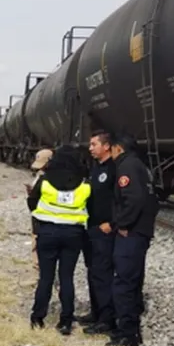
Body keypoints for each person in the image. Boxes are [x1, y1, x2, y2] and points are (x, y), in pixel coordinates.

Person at [27, 145, 91, 333]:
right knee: (66, 278)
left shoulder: (45, 181)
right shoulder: (84, 184)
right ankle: (66, 320)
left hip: (48, 233)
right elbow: (91, 207)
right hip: (73, 235)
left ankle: (37, 317)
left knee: (45, 277)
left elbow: (32, 202)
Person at [107, 134, 158, 346]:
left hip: (132, 234)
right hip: (142, 232)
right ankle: (132, 329)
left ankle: (127, 334)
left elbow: (134, 199)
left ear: (118, 148)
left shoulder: (126, 167)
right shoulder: (141, 167)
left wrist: (122, 224)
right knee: (134, 280)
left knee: (124, 283)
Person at [78, 129, 117, 335]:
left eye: (94, 144)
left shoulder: (114, 169)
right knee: (92, 271)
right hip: (90, 228)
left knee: (103, 274)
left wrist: (112, 222)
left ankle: (107, 319)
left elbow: (121, 200)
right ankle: (95, 311)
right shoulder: (95, 169)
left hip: (105, 230)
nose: (90, 148)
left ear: (106, 146)